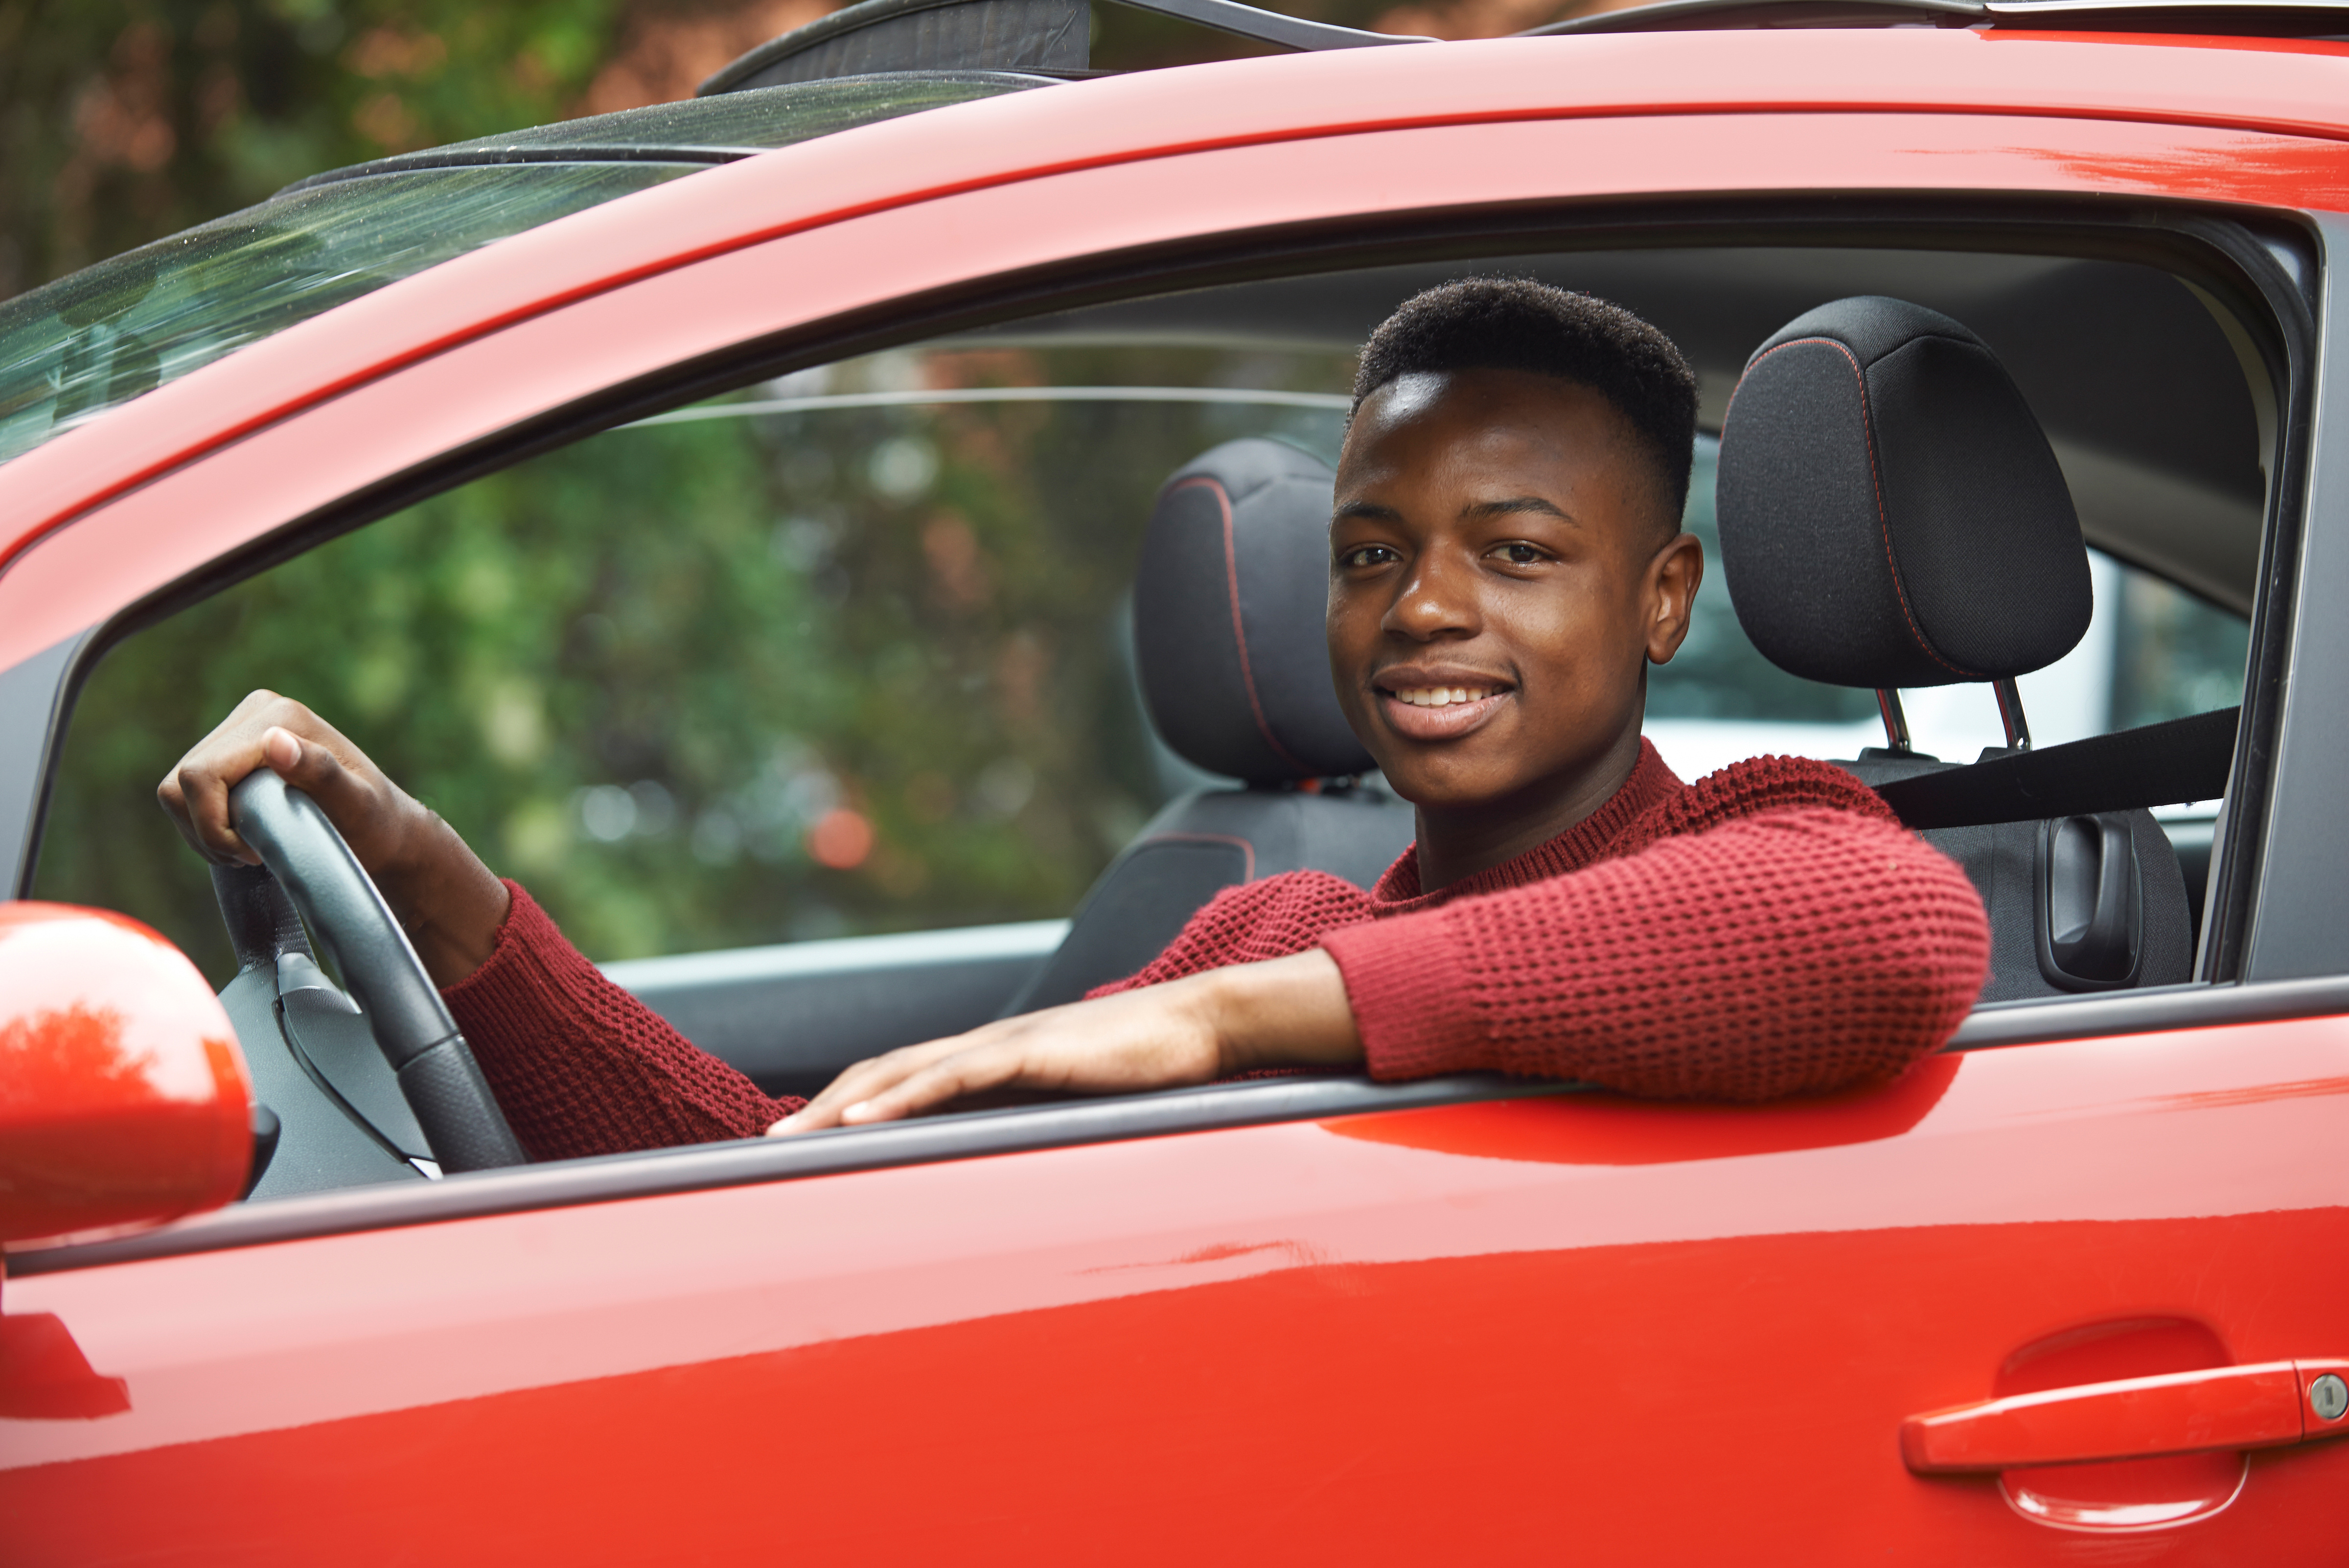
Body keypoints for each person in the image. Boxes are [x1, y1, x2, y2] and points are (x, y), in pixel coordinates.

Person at [159, 279, 1991, 1161]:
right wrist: (422, 866)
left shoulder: (1759, 842)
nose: (1425, 607)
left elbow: (1895, 936)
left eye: (1515, 553)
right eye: (1372, 552)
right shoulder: (1271, 918)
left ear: (1662, 597)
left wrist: (1220, 1026)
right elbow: (777, 1175)